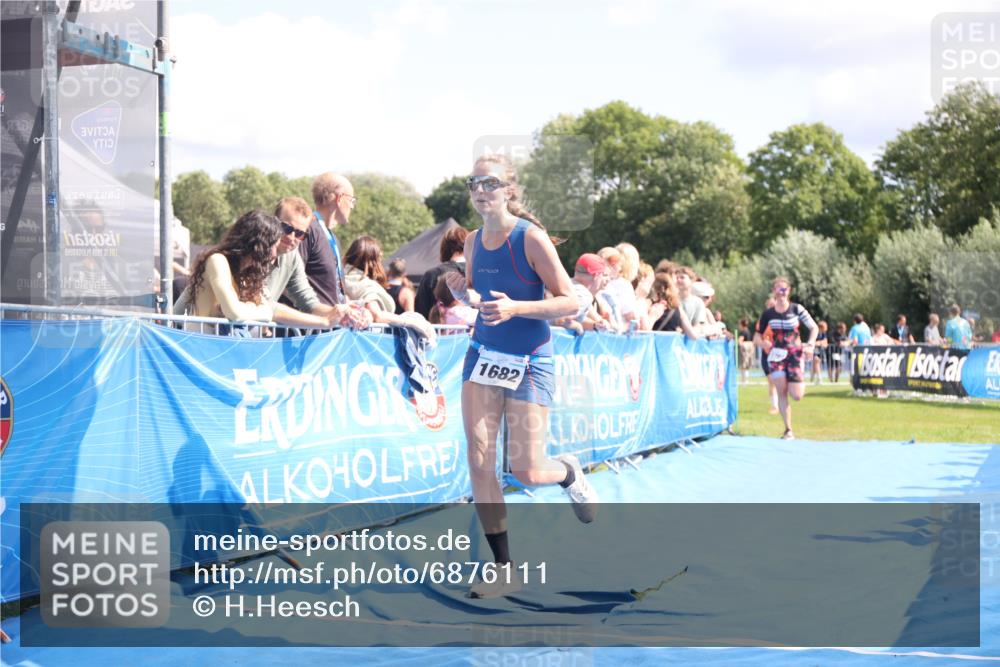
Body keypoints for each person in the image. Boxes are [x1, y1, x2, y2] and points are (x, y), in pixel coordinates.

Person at [445, 153, 595, 599]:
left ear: (510, 189)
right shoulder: (472, 241)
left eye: (489, 182)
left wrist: (518, 307)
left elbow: (571, 301)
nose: (479, 190)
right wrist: (462, 291)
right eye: (473, 182)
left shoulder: (531, 239)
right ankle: (504, 567)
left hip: (530, 359)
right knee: (478, 459)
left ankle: (567, 473)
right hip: (483, 355)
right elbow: (477, 290)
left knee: (527, 471)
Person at [176, 210, 283, 335]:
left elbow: (268, 312)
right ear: (259, 244)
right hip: (204, 346)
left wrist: (246, 309)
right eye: (273, 246)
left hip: (222, 347)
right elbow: (234, 313)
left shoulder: (248, 275)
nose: (275, 253)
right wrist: (252, 309)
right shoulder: (217, 260)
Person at [753, 277, 818, 439]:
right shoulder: (768, 314)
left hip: (795, 354)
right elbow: (756, 336)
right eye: (778, 289)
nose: (781, 292)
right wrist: (763, 344)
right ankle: (788, 430)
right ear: (774, 291)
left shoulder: (797, 309)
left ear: (789, 291)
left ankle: (793, 382)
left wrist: (810, 344)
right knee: (781, 392)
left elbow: (813, 327)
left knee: (796, 395)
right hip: (777, 356)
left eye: (784, 289)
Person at [342, 236, 436, 342]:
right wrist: (413, 322)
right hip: (368, 343)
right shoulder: (364, 284)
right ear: (374, 261)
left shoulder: (341, 279)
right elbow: (377, 315)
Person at [415, 225, 469, 319]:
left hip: (439, 331)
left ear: (445, 248)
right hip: (479, 331)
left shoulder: (432, 274)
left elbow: (421, 312)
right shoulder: (481, 273)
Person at [552, 252, 610, 334]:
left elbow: (576, 319)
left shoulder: (567, 284)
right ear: (596, 276)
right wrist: (578, 327)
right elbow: (561, 320)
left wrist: (595, 325)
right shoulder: (584, 295)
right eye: (603, 275)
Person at [757, 297, 780, 415]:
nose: (771, 307)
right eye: (769, 305)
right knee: (771, 380)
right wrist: (762, 343)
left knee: (779, 380)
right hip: (766, 354)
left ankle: (781, 403)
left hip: (779, 354)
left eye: (773, 305)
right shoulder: (763, 321)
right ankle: (775, 405)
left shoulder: (782, 320)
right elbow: (756, 337)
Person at [737, 317, 755, 383]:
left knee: (744, 364)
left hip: (745, 349)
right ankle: (746, 379)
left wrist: (739, 343)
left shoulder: (743, 332)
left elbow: (740, 341)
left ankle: (744, 380)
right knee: (748, 364)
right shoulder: (749, 331)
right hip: (750, 349)